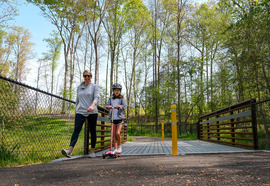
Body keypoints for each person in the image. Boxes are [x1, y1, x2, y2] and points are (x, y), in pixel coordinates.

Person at [62, 70, 100, 158]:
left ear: (91, 76)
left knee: (92, 130)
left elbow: (96, 97)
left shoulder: (94, 86)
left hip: (92, 111)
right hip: (80, 111)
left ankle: (92, 151)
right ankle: (69, 151)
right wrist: (76, 109)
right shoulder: (79, 87)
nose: (87, 77)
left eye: (88, 76)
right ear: (83, 77)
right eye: (85, 76)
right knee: (77, 129)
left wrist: (92, 106)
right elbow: (77, 99)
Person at [106, 83, 127, 154]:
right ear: (113, 91)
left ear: (120, 91)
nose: (117, 92)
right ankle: (115, 149)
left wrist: (119, 106)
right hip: (113, 118)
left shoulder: (122, 98)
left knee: (118, 133)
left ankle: (120, 147)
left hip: (120, 117)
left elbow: (124, 106)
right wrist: (108, 106)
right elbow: (107, 105)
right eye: (115, 90)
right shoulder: (111, 98)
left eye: (118, 90)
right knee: (113, 134)